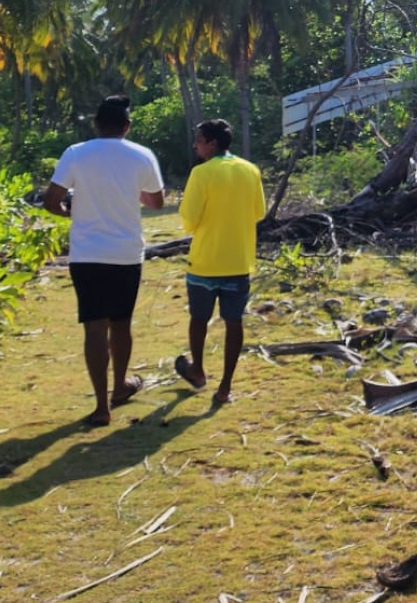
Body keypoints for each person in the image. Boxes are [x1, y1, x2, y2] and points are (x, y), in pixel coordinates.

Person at [43, 95, 165, 426]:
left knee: (94, 326)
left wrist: (70, 212)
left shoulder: (76, 153)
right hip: (126, 253)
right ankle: (120, 386)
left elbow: (51, 201)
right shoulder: (142, 155)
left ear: (96, 124)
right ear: (127, 126)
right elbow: (157, 202)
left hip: (87, 253)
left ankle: (101, 406)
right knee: (121, 323)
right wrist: (131, 192)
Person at [173, 118, 266, 405]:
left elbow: (189, 219)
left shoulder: (201, 173)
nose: (195, 146)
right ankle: (225, 387)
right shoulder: (250, 170)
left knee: (199, 318)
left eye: (199, 141)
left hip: (205, 261)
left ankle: (198, 370)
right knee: (234, 322)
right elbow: (259, 213)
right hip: (238, 261)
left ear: (212, 143)